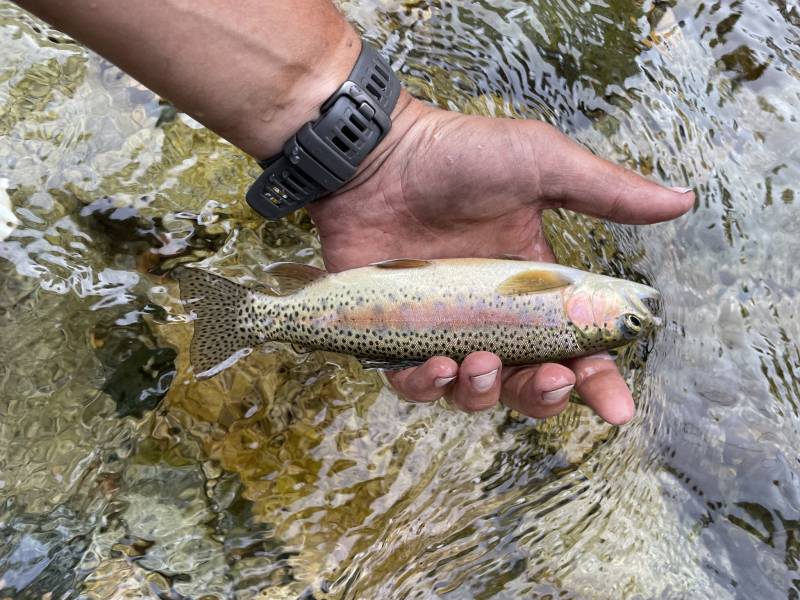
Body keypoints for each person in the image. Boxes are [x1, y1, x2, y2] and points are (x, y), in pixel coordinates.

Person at [15, 0, 693, 425]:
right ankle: (249, 315)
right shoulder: (551, 301)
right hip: (379, 293)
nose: (633, 309)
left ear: (589, 315)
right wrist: (388, 144)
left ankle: (251, 315)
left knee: (468, 370)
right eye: (631, 319)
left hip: (368, 304)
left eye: (629, 320)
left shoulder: (555, 306)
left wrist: (376, 142)